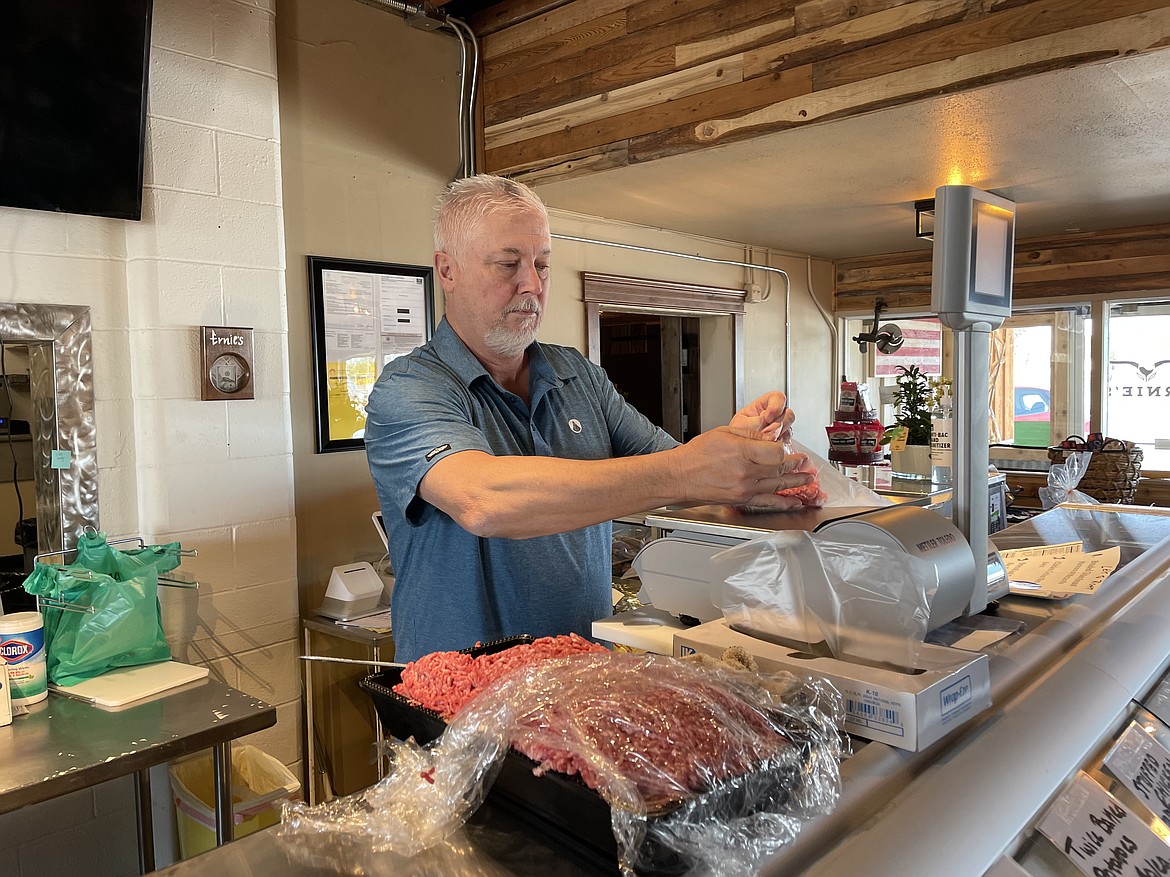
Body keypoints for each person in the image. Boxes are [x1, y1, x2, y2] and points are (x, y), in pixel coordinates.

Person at [364, 174, 815, 662]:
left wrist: (737, 452)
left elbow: (677, 471)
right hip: (461, 702)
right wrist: (691, 469)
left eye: (541, 264)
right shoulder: (408, 389)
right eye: (508, 264)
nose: (531, 285)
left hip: (584, 680)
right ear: (447, 270)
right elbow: (484, 500)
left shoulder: (577, 374)